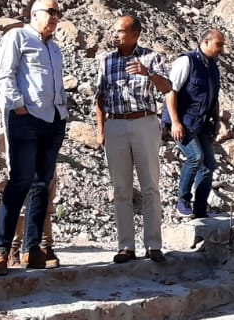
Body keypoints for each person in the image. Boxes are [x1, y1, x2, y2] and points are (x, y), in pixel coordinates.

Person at [0, 0, 69, 275]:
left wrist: (62, 112)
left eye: (58, 13)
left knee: (41, 185)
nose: (55, 17)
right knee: (20, 181)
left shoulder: (54, 48)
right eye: (51, 12)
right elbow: (5, 74)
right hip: (25, 118)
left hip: (53, 119)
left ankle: (31, 248)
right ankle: (1, 249)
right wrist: (18, 106)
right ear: (34, 14)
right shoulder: (17, 37)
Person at [94, 15, 172, 264]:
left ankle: (153, 244)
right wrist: (101, 129)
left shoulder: (151, 57)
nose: (115, 35)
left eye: (120, 31)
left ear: (135, 34)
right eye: (114, 31)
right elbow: (99, 96)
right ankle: (126, 246)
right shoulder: (107, 60)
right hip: (115, 124)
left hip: (144, 123)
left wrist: (148, 73)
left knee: (150, 186)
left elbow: (167, 88)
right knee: (121, 189)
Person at [163, 29, 226, 219]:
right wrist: (175, 122)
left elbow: (213, 97)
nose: (221, 50)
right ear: (206, 42)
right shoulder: (186, 61)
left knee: (208, 165)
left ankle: (200, 210)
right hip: (183, 122)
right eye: (219, 45)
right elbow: (170, 91)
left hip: (201, 124)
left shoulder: (213, 68)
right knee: (195, 157)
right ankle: (182, 202)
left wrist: (217, 120)